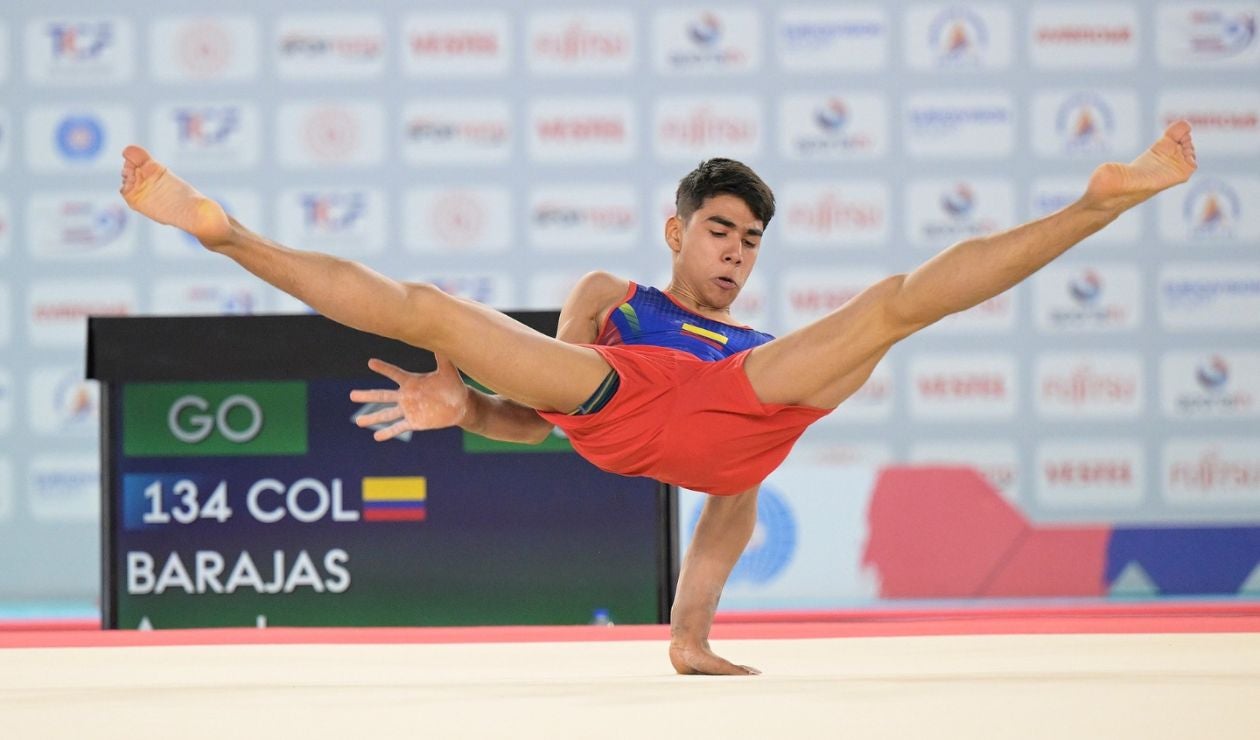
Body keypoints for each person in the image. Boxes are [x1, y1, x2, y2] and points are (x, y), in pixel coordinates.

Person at [119, 121, 1197, 675]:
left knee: (891, 307)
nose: (735, 252)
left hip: (738, 413)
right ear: (677, 230)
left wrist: (691, 633)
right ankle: (229, 233)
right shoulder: (613, 297)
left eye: (752, 241)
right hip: (622, 397)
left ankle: (1095, 203)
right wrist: (469, 410)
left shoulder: (764, 355)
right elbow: (546, 417)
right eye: (720, 230)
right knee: (432, 310)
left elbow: (731, 500)